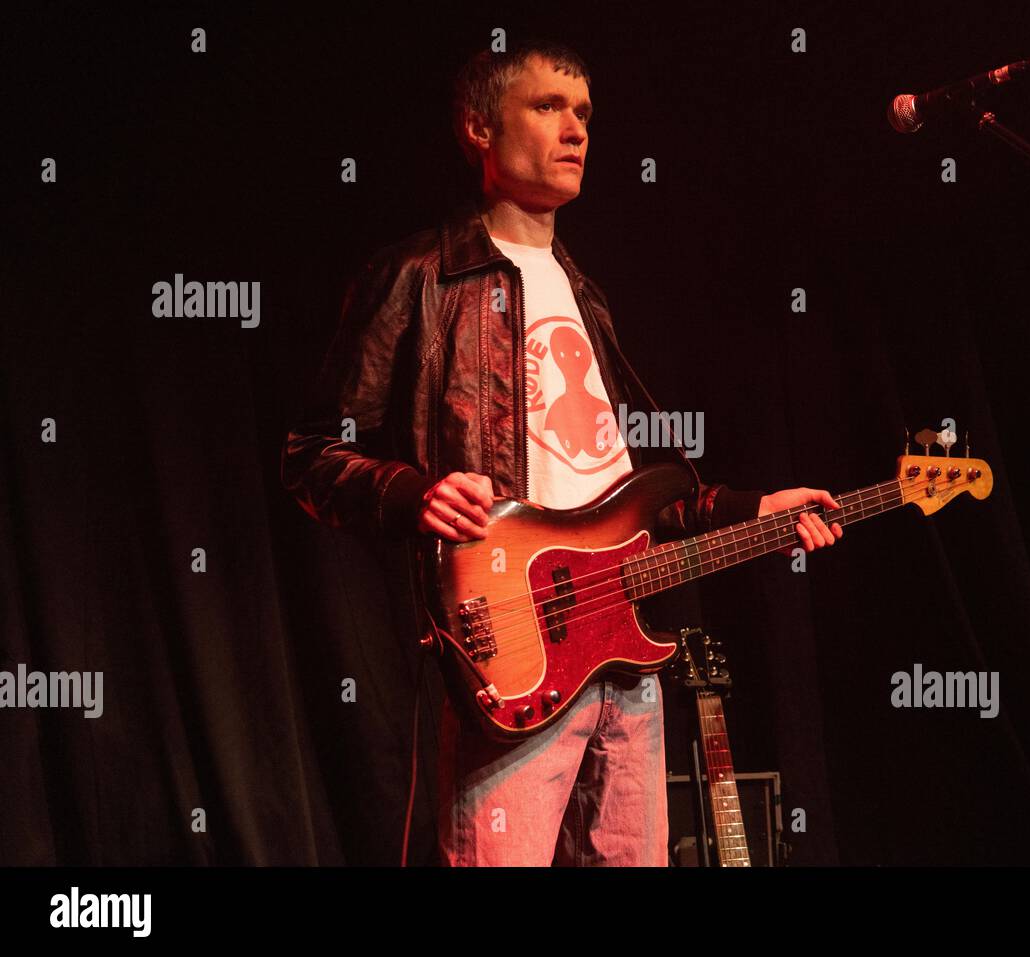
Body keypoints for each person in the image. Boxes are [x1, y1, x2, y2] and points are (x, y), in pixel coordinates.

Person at [282, 38, 841, 867]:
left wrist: (752, 510)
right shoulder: (418, 275)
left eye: (583, 112)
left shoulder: (587, 293)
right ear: (479, 125)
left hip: (628, 660)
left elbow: (627, 490)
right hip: (515, 655)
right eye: (548, 107)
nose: (576, 128)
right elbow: (311, 452)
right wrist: (409, 493)